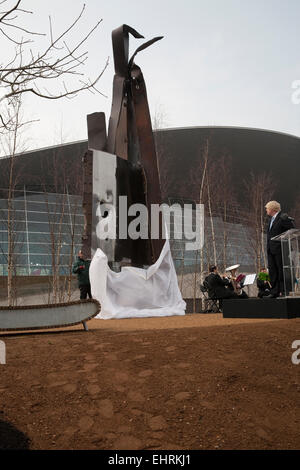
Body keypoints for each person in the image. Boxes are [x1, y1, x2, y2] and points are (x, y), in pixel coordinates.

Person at [265, 200, 295, 298]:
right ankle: (274, 292)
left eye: (267, 208)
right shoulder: (270, 220)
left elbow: (291, 230)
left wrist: (287, 220)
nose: (266, 210)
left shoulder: (282, 218)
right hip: (271, 250)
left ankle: (283, 290)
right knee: (273, 271)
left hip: (280, 249)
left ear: (272, 209)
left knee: (281, 270)